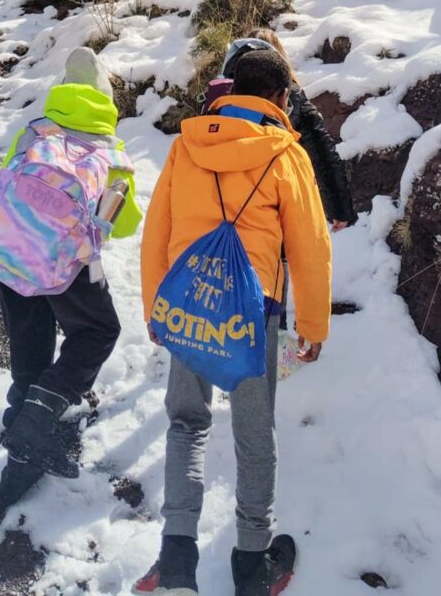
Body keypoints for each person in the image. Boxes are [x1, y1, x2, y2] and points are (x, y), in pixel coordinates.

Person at [136, 48, 332, 596]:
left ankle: (176, 561)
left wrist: (155, 308)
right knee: (254, 431)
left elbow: (157, 231)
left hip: (190, 302)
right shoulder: (286, 154)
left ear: (233, 89)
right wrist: (313, 324)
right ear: (281, 97)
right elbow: (311, 247)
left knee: (186, 423)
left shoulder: (186, 144)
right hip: (252, 309)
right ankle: (251, 564)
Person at [0, 47, 143, 508]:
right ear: (106, 100)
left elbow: (7, 180)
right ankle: (36, 423)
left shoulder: (36, 131)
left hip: (12, 250)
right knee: (97, 331)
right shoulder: (112, 153)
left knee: (30, 337)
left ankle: (19, 438)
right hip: (68, 263)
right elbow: (125, 224)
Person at [231, 31, 355, 231]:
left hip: (224, 203)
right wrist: (340, 209)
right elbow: (322, 150)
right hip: (276, 201)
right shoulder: (291, 95)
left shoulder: (223, 95)